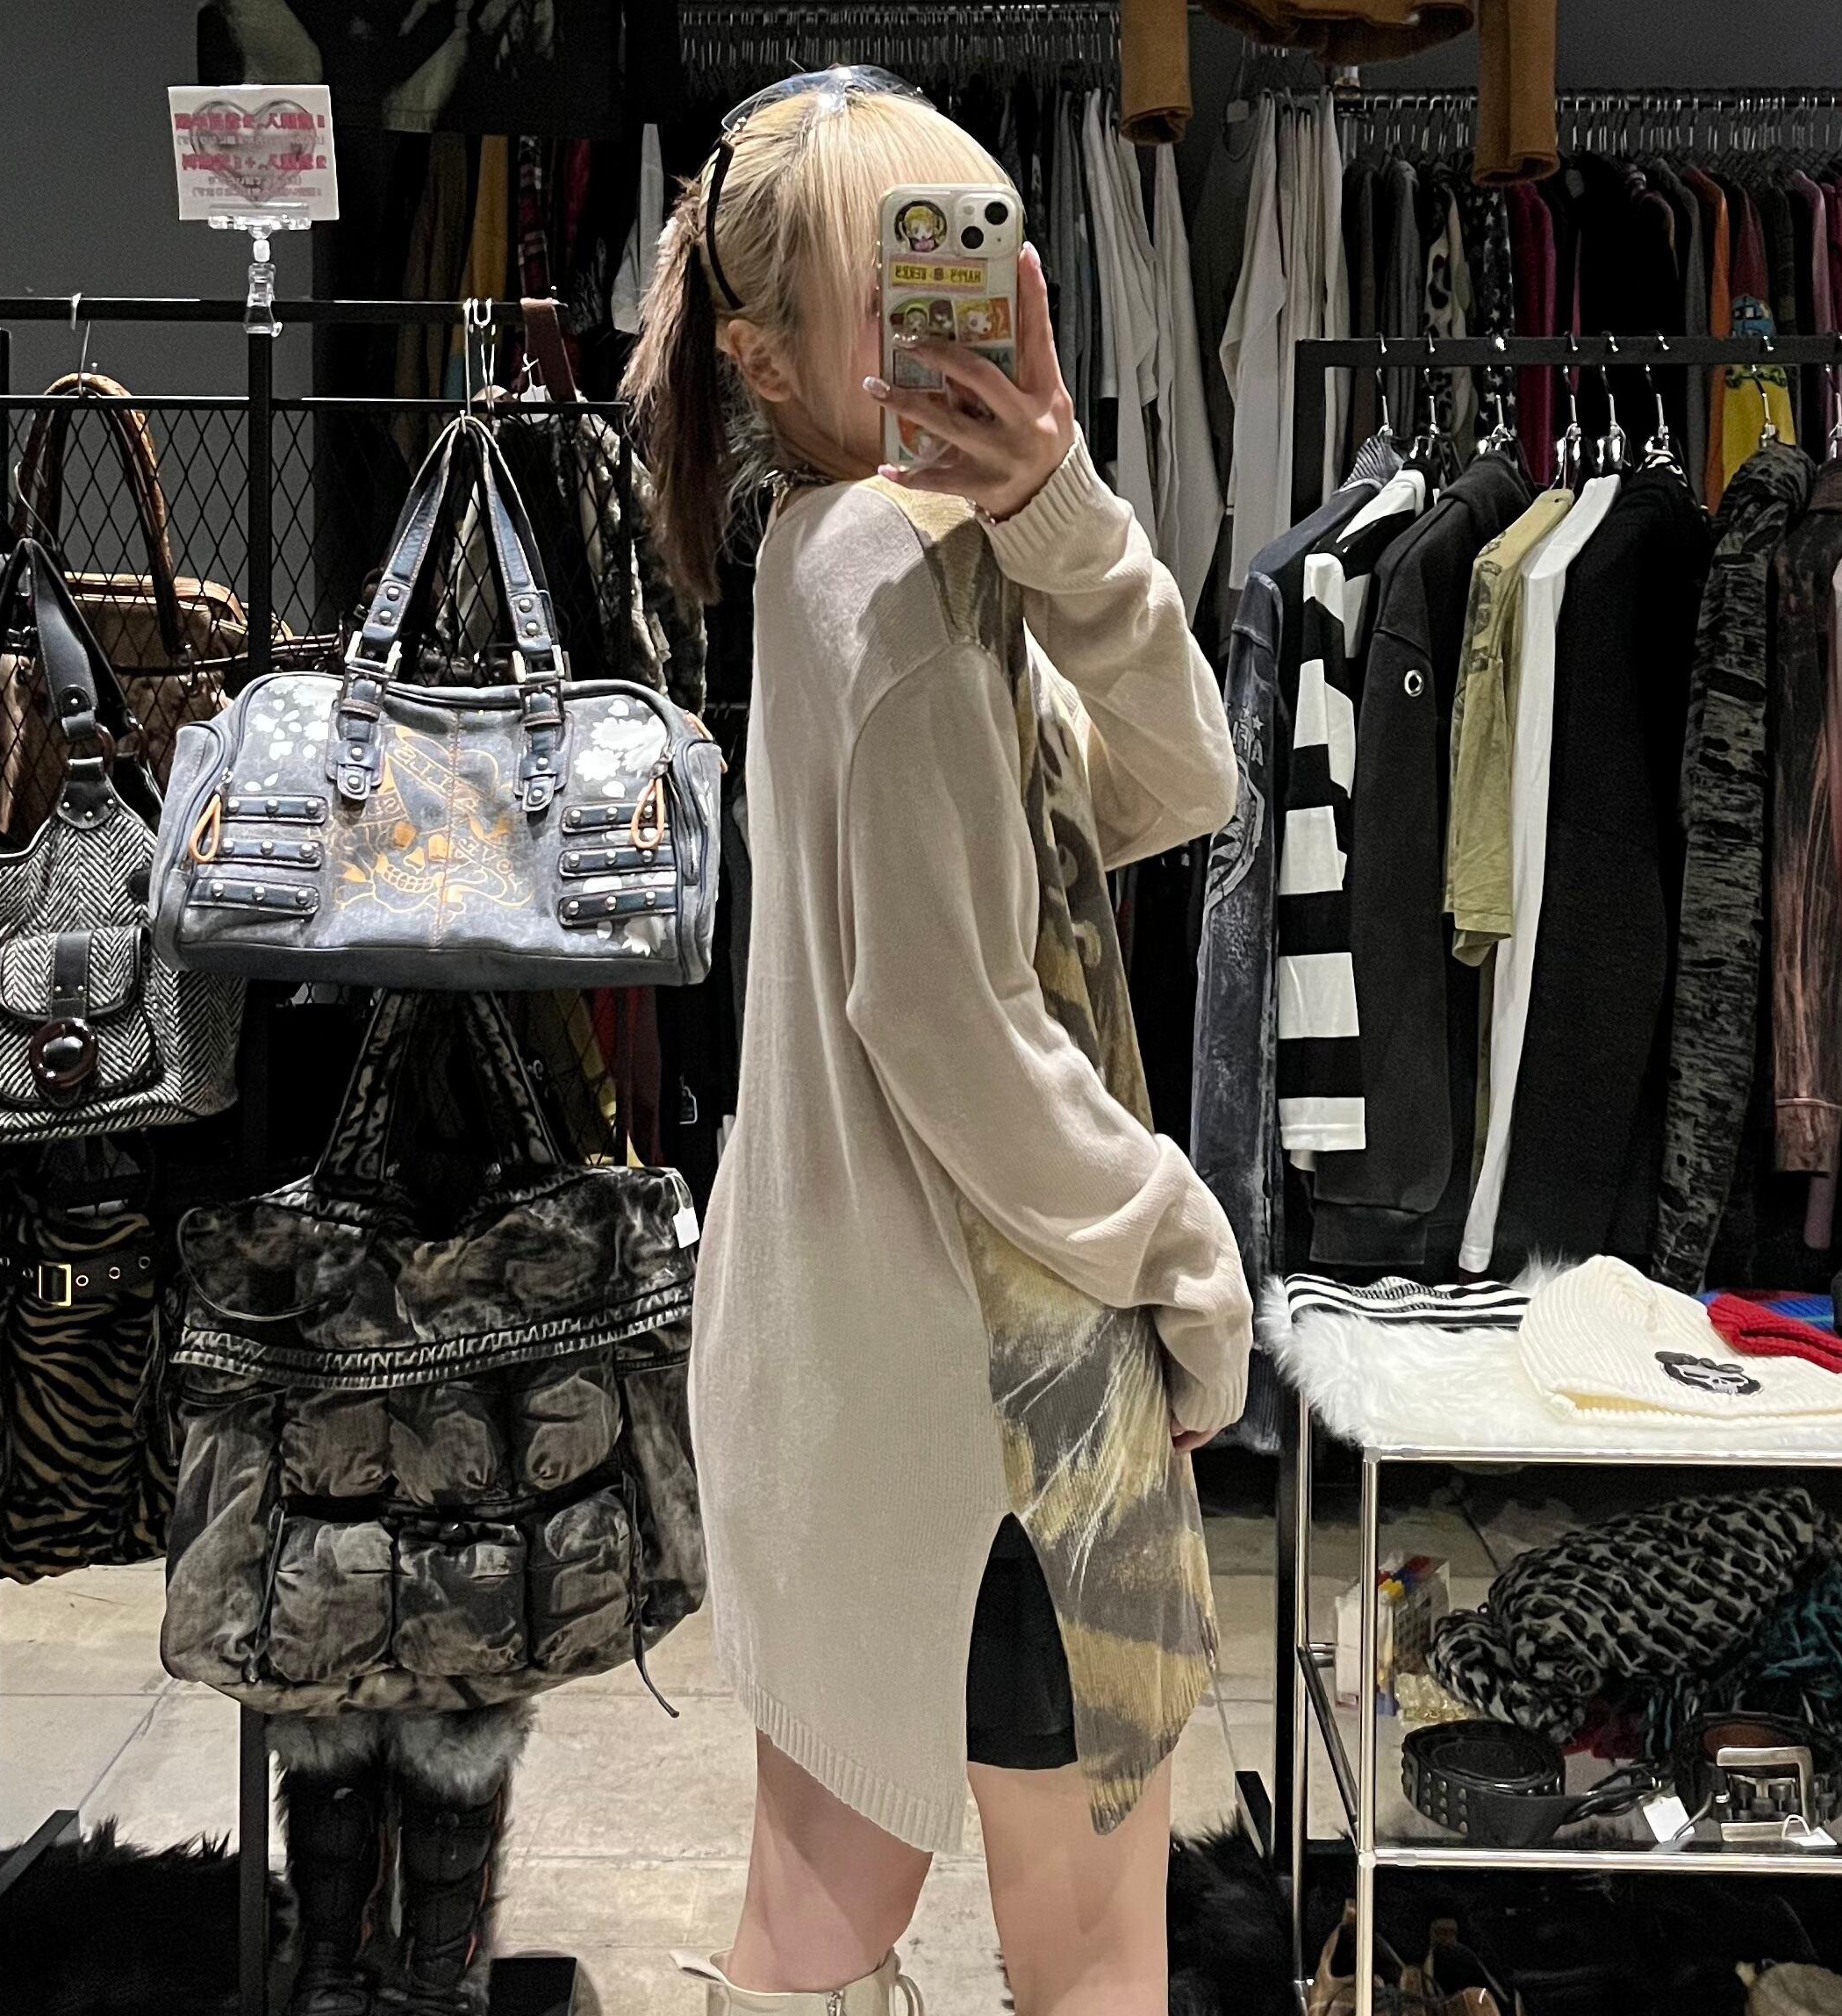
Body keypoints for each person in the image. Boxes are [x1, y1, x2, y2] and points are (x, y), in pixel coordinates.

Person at [623, 69, 1254, 2016]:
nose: (952, 315)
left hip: (847, 1361)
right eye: (902, 279)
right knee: (1092, 1960)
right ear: (764, 356)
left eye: (971, 259)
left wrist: (1057, 510)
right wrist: (1184, 1251)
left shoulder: (849, 555)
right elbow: (955, 1026)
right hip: (999, 1376)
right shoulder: (895, 591)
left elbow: (1168, 784)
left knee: (811, 1940)